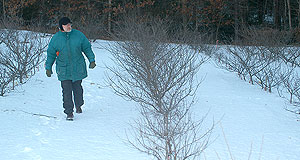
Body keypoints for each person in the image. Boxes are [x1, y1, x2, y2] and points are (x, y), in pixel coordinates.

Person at [45, 17, 96, 121]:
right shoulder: (56, 38)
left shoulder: (78, 35)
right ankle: (69, 112)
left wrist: (92, 60)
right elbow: (51, 54)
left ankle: (78, 105)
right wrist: (48, 67)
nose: (69, 26)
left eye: (69, 24)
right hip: (64, 69)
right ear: (61, 27)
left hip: (78, 67)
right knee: (66, 91)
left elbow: (87, 47)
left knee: (78, 89)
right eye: (66, 25)